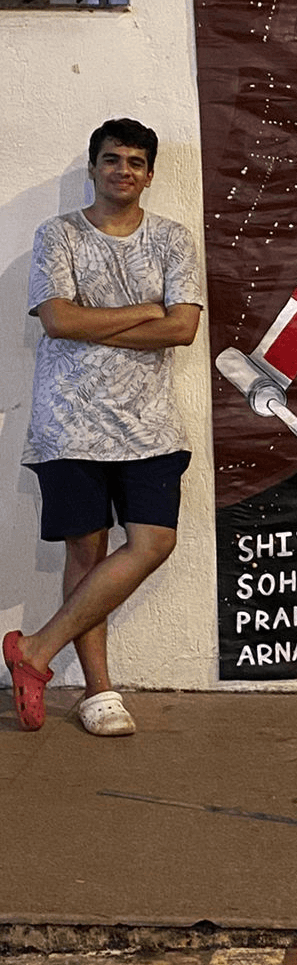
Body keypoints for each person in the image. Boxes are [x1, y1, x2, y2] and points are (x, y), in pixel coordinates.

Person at [5, 119, 203, 736]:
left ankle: (35, 649)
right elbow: (58, 321)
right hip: (69, 423)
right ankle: (98, 693)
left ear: (150, 174)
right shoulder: (57, 234)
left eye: (136, 162)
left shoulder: (172, 239)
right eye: (112, 159)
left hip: (151, 426)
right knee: (85, 553)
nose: (123, 170)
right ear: (93, 168)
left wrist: (97, 321)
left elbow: (182, 328)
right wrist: (143, 311)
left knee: (154, 542)